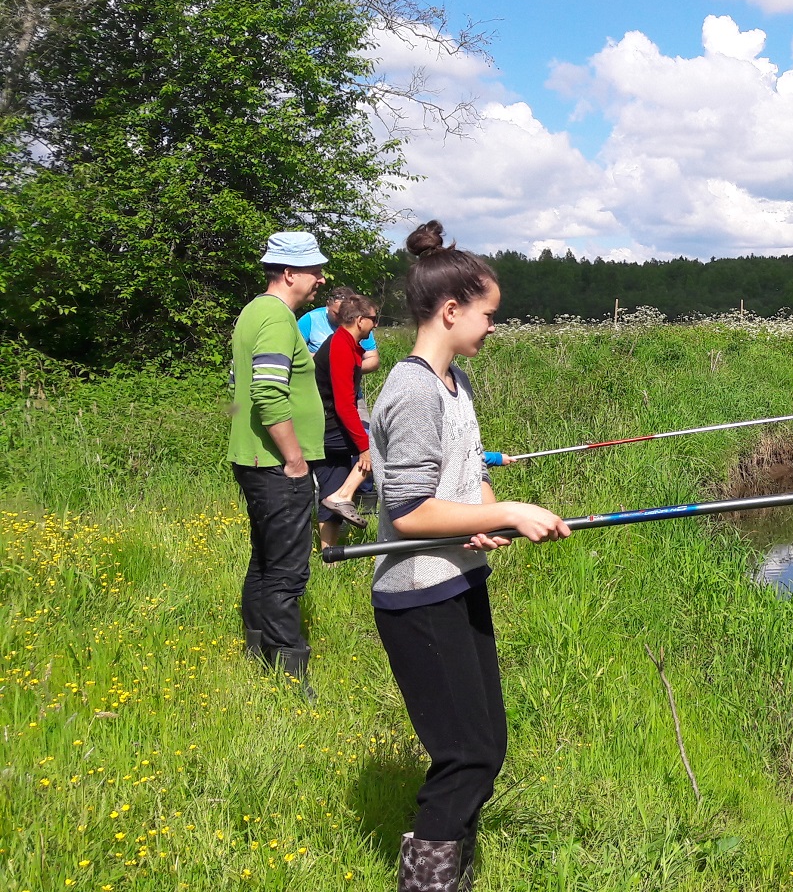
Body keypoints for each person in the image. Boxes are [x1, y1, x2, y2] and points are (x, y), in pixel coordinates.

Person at [370, 220, 569, 890]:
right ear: (451, 311)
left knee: (487, 746)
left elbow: (463, 482)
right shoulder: (414, 389)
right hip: (417, 594)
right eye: (488, 316)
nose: (492, 328)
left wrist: (485, 516)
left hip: (459, 578)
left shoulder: (457, 385)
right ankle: (425, 878)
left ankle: (455, 869)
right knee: (465, 756)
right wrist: (506, 513)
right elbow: (409, 512)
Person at [227, 231, 328, 697]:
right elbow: (266, 391)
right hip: (275, 464)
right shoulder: (276, 318)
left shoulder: (254, 312)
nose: (321, 280)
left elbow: (241, 382)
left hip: (255, 460)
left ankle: (257, 653)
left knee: (265, 561)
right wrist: (294, 459)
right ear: (289, 273)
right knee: (287, 571)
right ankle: (293, 680)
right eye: (314, 271)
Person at [314, 293, 379, 542]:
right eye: (374, 319)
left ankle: (330, 558)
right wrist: (364, 447)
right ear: (360, 320)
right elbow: (344, 404)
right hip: (329, 426)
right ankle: (345, 495)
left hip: (329, 426)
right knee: (380, 447)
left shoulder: (348, 344)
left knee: (332, 489)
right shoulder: (339, 346)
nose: (376, 325)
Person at [301, 285, 381, 373]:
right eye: (337, 314)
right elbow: (294, 353)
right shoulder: (311, 319)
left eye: (347, 314)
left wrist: (348, 369)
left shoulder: (360, 325)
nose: (342, 318)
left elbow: (373, 360)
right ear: (328, 305)